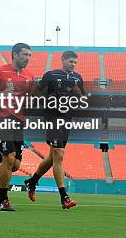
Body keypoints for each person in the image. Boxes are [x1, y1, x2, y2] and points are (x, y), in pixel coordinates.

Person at [24, 51, 86, 209]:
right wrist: (46, 97)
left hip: (67, 119)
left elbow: (83, 99)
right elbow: (36, 92)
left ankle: (32, 181)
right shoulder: (51, 75)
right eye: (71, 61)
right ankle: (64, 197)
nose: (73, 65)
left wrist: (79, 94)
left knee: (53, 157)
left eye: (75, 63)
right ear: (63, 60)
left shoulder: (77, 78)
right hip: (52, 118)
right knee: (59, 154)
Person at [0, 42, 34, 211]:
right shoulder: (0, 71)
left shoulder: (29, 76)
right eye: (25, 54)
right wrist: (1, 93)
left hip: (18, 122)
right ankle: (3, 201)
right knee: (8, 158)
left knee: (15, 165)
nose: (27, 58)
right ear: (15, 54)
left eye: (29, 55)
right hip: (0, 118)